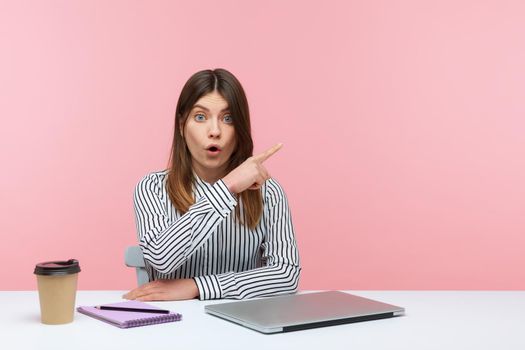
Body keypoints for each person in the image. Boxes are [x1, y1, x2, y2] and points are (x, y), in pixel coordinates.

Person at [123, 68, 301, 301]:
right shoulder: (152, 188)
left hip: (244, 328)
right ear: (181, 125)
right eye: (200, 117)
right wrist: (227, 187)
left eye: (228, 119)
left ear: (240, 129)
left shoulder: (269, 192)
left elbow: (286, 274)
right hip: (172, 326)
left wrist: (198, 286)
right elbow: (160, 259)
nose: (215, 131)